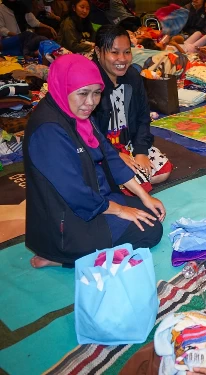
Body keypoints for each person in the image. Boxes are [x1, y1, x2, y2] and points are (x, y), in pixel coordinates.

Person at [23, 54, 165, 269]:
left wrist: (144, 196)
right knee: (150, 231)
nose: (90, 103)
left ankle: (66, 252)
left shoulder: (75, 114)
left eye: (96, 93)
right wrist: (118, 209)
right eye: (82, 93)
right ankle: (62, 255)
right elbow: (73, 192)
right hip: (67, 218)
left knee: (149, 213)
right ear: (63, 87)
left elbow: (109, 155)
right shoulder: (49, 130)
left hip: (93, 200)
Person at [93, 25, 173, 192]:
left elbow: (143, 116)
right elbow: (87, 132)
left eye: (127, 52)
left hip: (127, 144)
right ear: (98, 51)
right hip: (102, 150)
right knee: (141, 185)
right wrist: (114, 155)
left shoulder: (132, 77)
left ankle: (122, 181)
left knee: (163, 172)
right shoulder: (91, 84)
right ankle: (106, 178)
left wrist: (141, 151)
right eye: (114, 52)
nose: (122, 59)